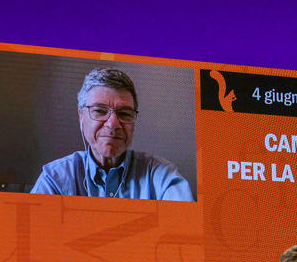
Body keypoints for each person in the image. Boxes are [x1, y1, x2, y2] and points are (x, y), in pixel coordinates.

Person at [31, 68, 193, 201]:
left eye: (124, 113)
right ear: (81, 117)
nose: (113, 123)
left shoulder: (161, 175)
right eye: (100, 111)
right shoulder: (55, 178)